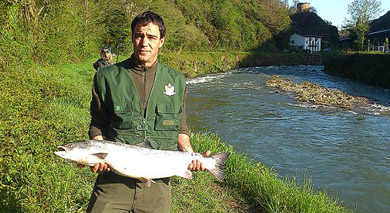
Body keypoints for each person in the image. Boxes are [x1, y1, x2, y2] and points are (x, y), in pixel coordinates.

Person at [84, 11, 209, 212]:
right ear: (132, 38)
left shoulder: (177, 80)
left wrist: (190, 154)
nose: (144, 42)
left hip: (157, 185)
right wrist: (99, 155)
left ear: (161, 42)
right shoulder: (106, 77)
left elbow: (181, 128)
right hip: (112, 181)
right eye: (139, 35)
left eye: (151, 37)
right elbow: (98, 123)